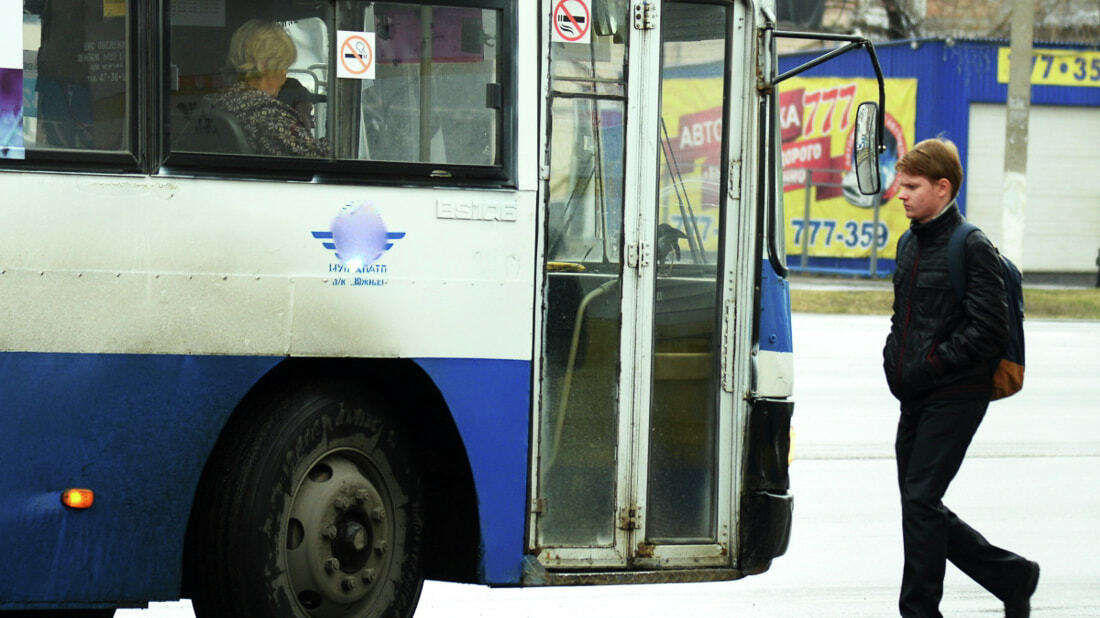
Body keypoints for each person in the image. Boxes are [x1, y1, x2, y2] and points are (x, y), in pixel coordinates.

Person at [882, 138, 1039, 618]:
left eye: (911, 186)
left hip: (956, 393)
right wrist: (894, 360)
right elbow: (901, 316)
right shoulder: (910, 242)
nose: (900, 194)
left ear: (942, 187)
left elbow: (989, 331)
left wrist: (930, 363)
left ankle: (920, 611)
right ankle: (1011, 575)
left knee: (922, 498)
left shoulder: (970, 246)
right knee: (919, 503)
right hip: (916, 394)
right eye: (900, 185)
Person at [206, 20, 328, 157]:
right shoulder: (265, 112)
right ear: (264, 65)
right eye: (283, 68)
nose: (284, 78)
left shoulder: (221, 100)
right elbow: (313, 156)